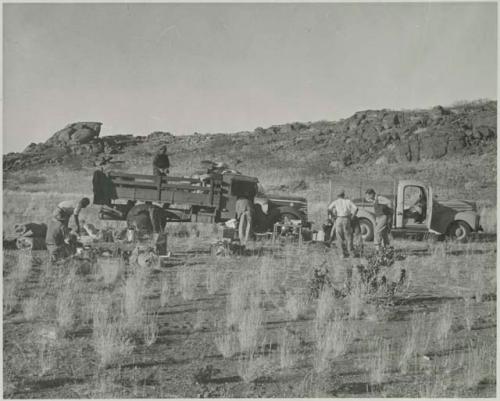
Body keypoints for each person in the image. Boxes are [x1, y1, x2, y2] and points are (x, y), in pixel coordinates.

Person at [327, 190, 358, 258]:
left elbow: (329, 209)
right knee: (349, 236)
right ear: (344, 195)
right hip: (346, 219)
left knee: (339, 237)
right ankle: (351, 253)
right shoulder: (348, 201)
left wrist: (333, 216)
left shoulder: (336, 202)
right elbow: (356, 209)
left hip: (338, 219)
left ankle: (342, 254)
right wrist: (352, 217)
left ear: (338, 196)